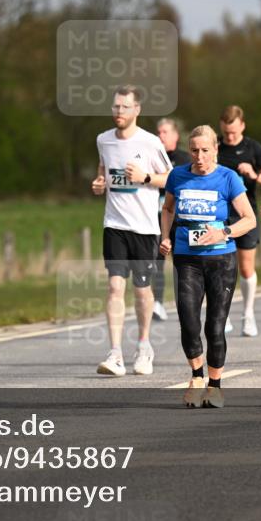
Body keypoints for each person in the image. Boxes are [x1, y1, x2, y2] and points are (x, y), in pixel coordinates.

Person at [160, 125, 257, 408]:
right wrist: (165, 236)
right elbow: (167, 209)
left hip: (221, 260)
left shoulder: (228, 178)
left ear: (215, 149)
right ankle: (196, 375)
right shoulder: (178, 176)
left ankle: (215, 385)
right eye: (194, 151)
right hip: (186, 258)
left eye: (205, 151)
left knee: (214, 326)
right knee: (188, 320)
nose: (199, 157)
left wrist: (223, 233)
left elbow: (248, 219)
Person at [92, 86, 172, 376]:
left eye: (125, 107)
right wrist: (99, 183)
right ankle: (115, 353)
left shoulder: (150, 143)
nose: (119, 112)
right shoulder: (103, 140)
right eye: (115, 107)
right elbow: (103, 171)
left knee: (141, 290)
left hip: (144, 228)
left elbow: (170, 179)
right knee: (115, 286)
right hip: (114, 225)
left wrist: (145, 177)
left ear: (137, 110)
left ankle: (144, 346)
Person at [216, 105, 261, 336]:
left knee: (246, 267)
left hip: (245, 213)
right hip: (218, 213)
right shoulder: (214, 146)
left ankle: (248, 314)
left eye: (234, 133)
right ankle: (222, 313)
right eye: (227, 133)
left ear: (242, 127)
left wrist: (254, 175)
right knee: (219, 267)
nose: (230, 137)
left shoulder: (253, 148)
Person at [152, 117, 191, 322]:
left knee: (180, 261)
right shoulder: (150, 157)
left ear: (175, 135)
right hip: (154, 215)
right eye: (158, 132)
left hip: (179, 218)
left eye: (165, 132)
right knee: (156, 258)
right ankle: (157, 302)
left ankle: (183, 300)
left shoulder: (185, 159)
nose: (161, 135)